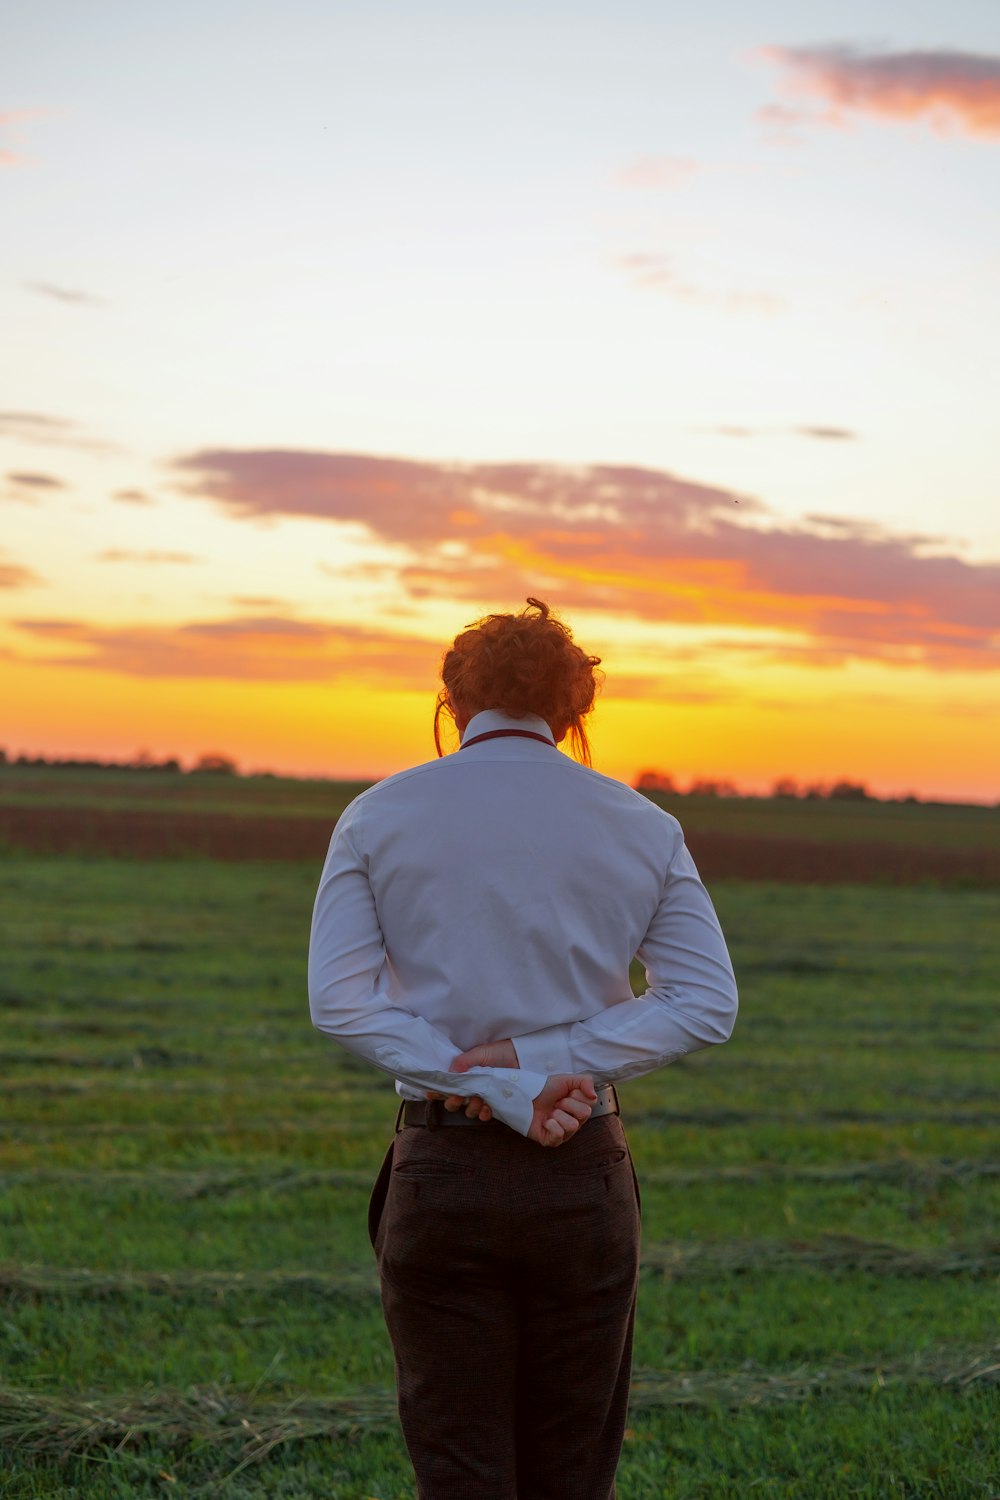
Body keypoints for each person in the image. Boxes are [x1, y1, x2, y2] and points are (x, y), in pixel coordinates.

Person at [308, 598, 738, 1499]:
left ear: (452, 703)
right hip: (583, 1174)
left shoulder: (378, 815)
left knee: (459, 1470)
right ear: (574, 712)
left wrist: (501, 1077)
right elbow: (705, 1004)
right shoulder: (644, 825)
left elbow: (339, 1004)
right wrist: (542, 1060)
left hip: (442, 1171)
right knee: (572, 1474)